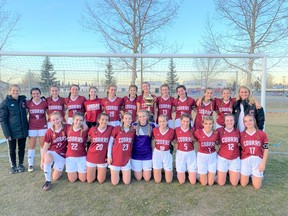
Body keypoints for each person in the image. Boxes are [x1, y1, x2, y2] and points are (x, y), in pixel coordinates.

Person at [0, 84, 29, 174]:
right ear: (10, 91)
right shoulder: (5, 103)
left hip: (22, 130)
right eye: (13, 90)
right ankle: (13, 166)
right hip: (11, 131)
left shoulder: (23, 100)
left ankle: (20, 164)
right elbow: (3, 120)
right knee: (12, 149)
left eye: (17, 90)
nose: (15, 92)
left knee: (22, 148)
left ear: (19, 91)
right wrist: (7, 133)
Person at [240, 114, 269, 190]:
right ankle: (250, 174)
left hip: (257, 160)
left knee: (257, 187)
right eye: (245, 121)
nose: (248, 123)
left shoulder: (262, 134)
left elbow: (266, 149)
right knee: (243, 184)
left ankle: (254, 174)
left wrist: (263, 163)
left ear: (254, 121)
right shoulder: (241, 134)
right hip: (245, 160)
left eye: (250, 120)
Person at [41, 112, 67, 191]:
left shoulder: (67, 127)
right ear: (51, 121)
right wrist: (42, 160)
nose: (56, 121)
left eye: (57, 119)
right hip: (52, 152)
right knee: (47, 158)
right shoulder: (50, 131)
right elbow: (45, 146)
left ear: (61, 118)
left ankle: (55, 168)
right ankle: (47, 181)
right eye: (53, 120)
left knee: (55, 178)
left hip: (62, 154)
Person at [107, 112, 135, 185]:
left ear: (132, 120)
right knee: (114, 183)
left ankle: (122, 172)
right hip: (116, 157)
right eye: (125, 118)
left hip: (126, 157)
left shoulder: (133, 130)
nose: (127, 120)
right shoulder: (116, 129)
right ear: (122, 119)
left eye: (129, 119)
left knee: (126, 182)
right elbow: (110, 143)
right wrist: (109, 156)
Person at [86, 113, 113, 184]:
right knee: (90, 180)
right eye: (102, 119)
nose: (104, 121)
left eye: (106, 120)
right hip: (91, 157)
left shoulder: (111, 129)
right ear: (98, 120)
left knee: (101, 180)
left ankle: (99, 170)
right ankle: (94, 170)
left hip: (102, 158)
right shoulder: (92, 129)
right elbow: (88, 139)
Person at [26, 87, 48, 172]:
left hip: (43, 126)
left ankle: (43, 162)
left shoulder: (44, 103)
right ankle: (30, 164)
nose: (35, 95)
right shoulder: (28, 103)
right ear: (31, 95)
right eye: (33, 94)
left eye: (37, 93)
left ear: (40, 94)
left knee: (43, 145)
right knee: (32, 145)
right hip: (32, 127)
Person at [216, 114, 240, 186]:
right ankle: (212, 175)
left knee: (234, 183)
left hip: (234, 158)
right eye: (227, 121)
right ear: (224, 121)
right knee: (221, 183)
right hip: (222, 158)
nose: (229, 122)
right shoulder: (219, 130)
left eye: (231, 120)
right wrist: (218, 145)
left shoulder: (238, 131)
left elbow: (241, 143)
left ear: (234, 121)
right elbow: (213, 140)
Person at [194, 116, 218, 186]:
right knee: (204, 183)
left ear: (213, 124)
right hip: (202, 156)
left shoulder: (215, 133)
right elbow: (192, 141)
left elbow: (218, 143)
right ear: (203, 124)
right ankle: (196, 174)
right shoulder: (198, 132)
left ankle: (210, 173)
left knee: (210, 183)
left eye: (210, 124)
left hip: (212, 156)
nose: (208, 125)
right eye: (206, 123)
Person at [131, 109, 154, 181]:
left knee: (147, 178)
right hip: (136, 154)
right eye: (140, 116)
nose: (142, 118)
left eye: (143, 116)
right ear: (138, 117)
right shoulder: (134, 126)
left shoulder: (152, 126)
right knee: (138, 178)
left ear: (147, 117)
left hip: (147, 154)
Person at [66, 112, 88, 182]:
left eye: (81, 120)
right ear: (73, 120)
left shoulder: (85, 130)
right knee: (72, 180)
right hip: (70, 157)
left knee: (83, 179)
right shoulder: (68, 129)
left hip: (81, 157)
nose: (78, 122)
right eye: (77, 120)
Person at [152, 114, 175, 183]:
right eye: (160, 121)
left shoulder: (172, 131)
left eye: (164, 121)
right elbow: (151, 139)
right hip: (157, 153)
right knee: (157, 180)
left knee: (169, 181)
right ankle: (159, 169)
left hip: (167, 152)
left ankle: (166, 170)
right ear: (158, 122)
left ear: (167, 121)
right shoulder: (155, 130)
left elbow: (175, 141)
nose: (162, 123)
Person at [175, 114, 197, 184]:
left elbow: (196, 139)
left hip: (191, 153)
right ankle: (182, 173)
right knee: (181, 181)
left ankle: (191, 173)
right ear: (181, 121)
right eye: (184, 121)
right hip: (180, 153)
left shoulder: (193, 130)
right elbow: (174, 139)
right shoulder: (177, 130)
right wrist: (176, 143)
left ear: (190, 122)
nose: (185, 123)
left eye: (187, 121)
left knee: (193, 182)